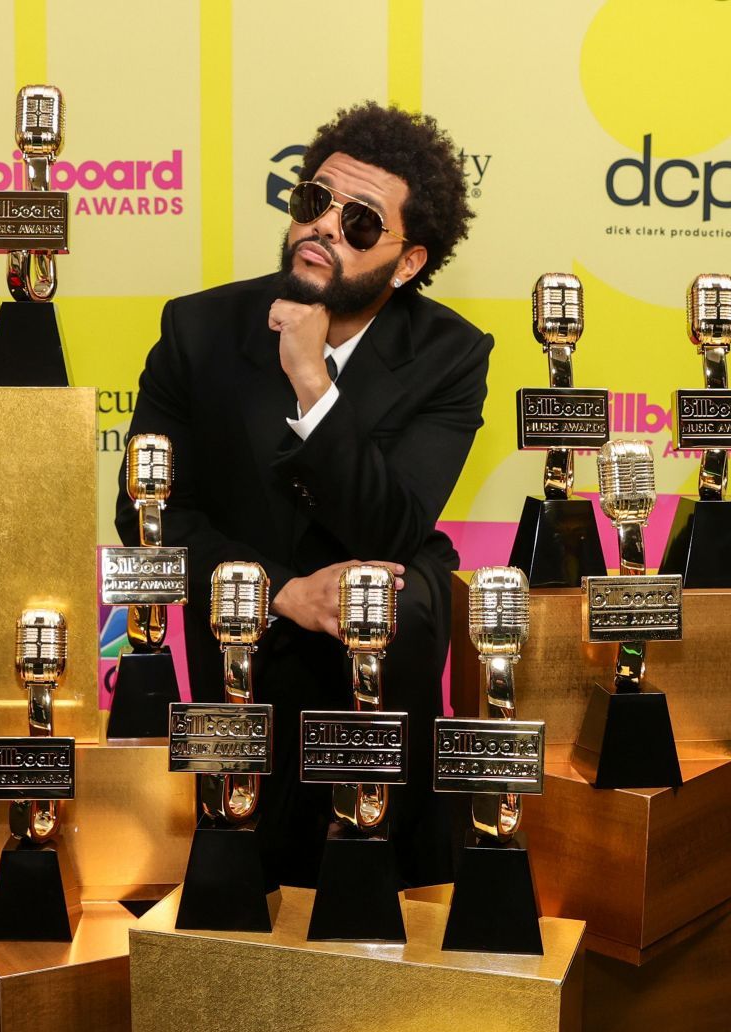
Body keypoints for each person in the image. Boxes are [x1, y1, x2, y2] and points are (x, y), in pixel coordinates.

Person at [115, 101, 490, 888]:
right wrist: (280, 593)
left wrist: (312, 381)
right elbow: (147, 517)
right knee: (245, 882)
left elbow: (389, 523)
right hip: (246, 627)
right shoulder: (198, 329)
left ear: (410, 261)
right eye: (313, 201)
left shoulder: (450, 356)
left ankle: (392, 873)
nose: (322, 227)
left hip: (372, 639)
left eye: (359, 222)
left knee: (401, 594)